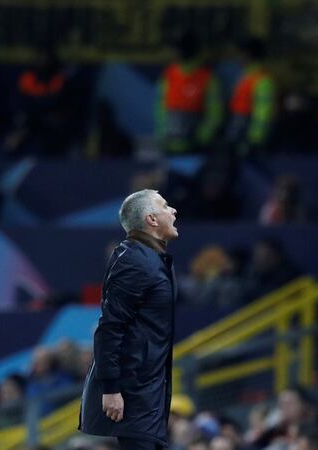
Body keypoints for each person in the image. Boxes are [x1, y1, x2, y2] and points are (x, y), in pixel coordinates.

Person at [80, 189, 179, 450]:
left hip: (150, 390)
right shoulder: (135, 261)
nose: (173, 211)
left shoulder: (153, 258)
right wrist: (111, 389)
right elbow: (110, 328)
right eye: (165, 206)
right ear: (152, 219)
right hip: (133, 392)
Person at [155, 32, 222, 154]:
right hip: (169, 147)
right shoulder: (168, 75)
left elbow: (215, 114)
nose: (174, 53)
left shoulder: (207, 78)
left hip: (196, 149)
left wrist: (202, 138)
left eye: (178, 49)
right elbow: (161, 108)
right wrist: (162, 135)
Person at [226, 38, 276, 156]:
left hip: (248, 140)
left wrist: (254, 139)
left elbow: (263, 114)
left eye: (241, 53)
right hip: (239, 136)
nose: (238, 57)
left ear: (250, 55)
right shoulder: (245, 76)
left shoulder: (262, 80)